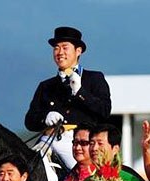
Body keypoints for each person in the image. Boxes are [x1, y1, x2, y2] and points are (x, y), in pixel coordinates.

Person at [25, 26, 111, 170]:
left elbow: (104, 111)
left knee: (82, 178)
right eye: (56, 48)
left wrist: (80, 92)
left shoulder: (94, 78)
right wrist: (45, 117)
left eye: (65, 48)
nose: (60, 52)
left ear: (78, 51)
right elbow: (29, 121)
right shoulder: (46, 86)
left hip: (79, 143)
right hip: (48, 140)